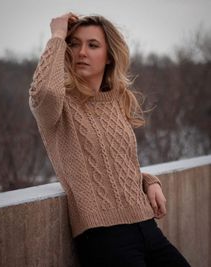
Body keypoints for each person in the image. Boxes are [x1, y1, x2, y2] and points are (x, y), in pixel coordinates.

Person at [29, 12, 191, 267]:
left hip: (147, 226)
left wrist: (148, 181)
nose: (81, 52)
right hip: (105, 237)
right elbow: (43, 92)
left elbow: (119, 163)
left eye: (92, 45)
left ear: (109, 57)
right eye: (75, 44)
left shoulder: (116, 100)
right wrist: (58, 35)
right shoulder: (59, 106)